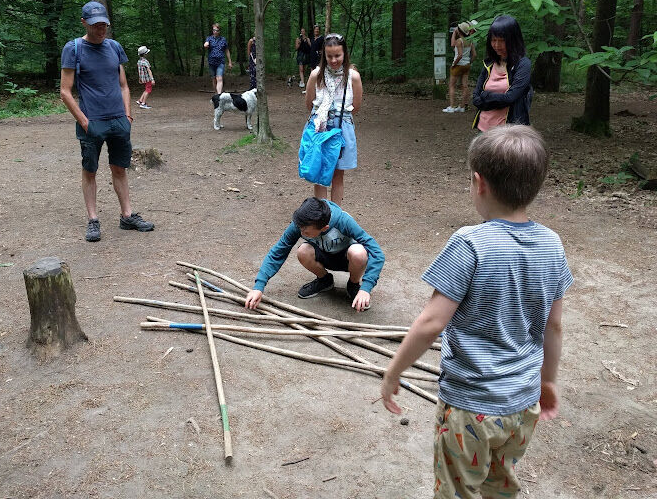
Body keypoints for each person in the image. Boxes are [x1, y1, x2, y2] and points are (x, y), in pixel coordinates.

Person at [380, 125, 572, 499]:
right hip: (522, 405)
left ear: (478, 182)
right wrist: (547, 381)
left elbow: (431, 322)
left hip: (470, 409)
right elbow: (555, 325)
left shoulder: (469, 243)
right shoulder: (552, 244)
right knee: (500, 484)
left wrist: (393, 372)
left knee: (458, 490)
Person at [60, 1, 155, 242]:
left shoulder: (114, 47)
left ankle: (127, 215)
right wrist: (84, 122)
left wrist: (128, 115)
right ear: (84, 23)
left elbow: (123, 84)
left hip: (118, 121)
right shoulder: (74, 49)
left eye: (104, 24)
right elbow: (65, 91)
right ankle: (93, 219)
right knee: (90, 170)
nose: (101, 29)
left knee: (119, 168)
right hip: (92, 122)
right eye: (96, 25)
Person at [244, 197, 384, 313]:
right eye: (300, 230)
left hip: (347, 260)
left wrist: (366, 287)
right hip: (324, 257)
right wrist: (259, 286)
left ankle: (354, 285)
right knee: (302, 251)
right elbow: (278, 251)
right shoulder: (301, 224)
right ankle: (325, 280)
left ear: (324, 228)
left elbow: (377, 252)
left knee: (359, 253)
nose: (302, 233)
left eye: (306, 232)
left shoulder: (343, 221)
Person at [304, 33, 362, 205]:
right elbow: (309, 104)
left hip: (342, 127)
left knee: (338, 175)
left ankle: (335, 216)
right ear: (324, 55)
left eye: (337, 55)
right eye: (329, 56)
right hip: (319, 127)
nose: (334, 60)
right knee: (319, 172)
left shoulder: (353, 77)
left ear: (344, 54)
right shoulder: (316, 75)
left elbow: (356, 107)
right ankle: (320, 216)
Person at [471, 15, 532, 131]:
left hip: (508, 133)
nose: (497, 45)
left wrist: (486, 96)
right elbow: (475, 98)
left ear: (513, 40)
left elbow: (510, 98)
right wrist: (497, 99)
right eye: (493, 40)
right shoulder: (489, 63)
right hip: (483, 128)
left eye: (502, 41)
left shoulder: (523, 65)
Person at [443, 20, 477, 113]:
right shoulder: (470, 41)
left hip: (458, 65)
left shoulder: (459, 41)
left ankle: (452, 106)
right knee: (465, 86)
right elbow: (474, 55)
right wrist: (469, 62)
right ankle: (462, 106)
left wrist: (454, 64)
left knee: (452, 86)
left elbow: (459, 53)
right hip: (466, 65)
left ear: (460, 31)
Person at [203, 23, 232, 94]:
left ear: (219, 31)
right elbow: (206, 44)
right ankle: (216, 93)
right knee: (214, 79)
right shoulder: (209, 38)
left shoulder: (223, 39)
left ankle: (219, 95)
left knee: (219, 78)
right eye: (214, 30)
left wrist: (230, 62)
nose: (215, 32)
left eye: (217, 30)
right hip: (211, 62)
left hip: (220, 62)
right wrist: (206, 45)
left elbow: (227, 50)